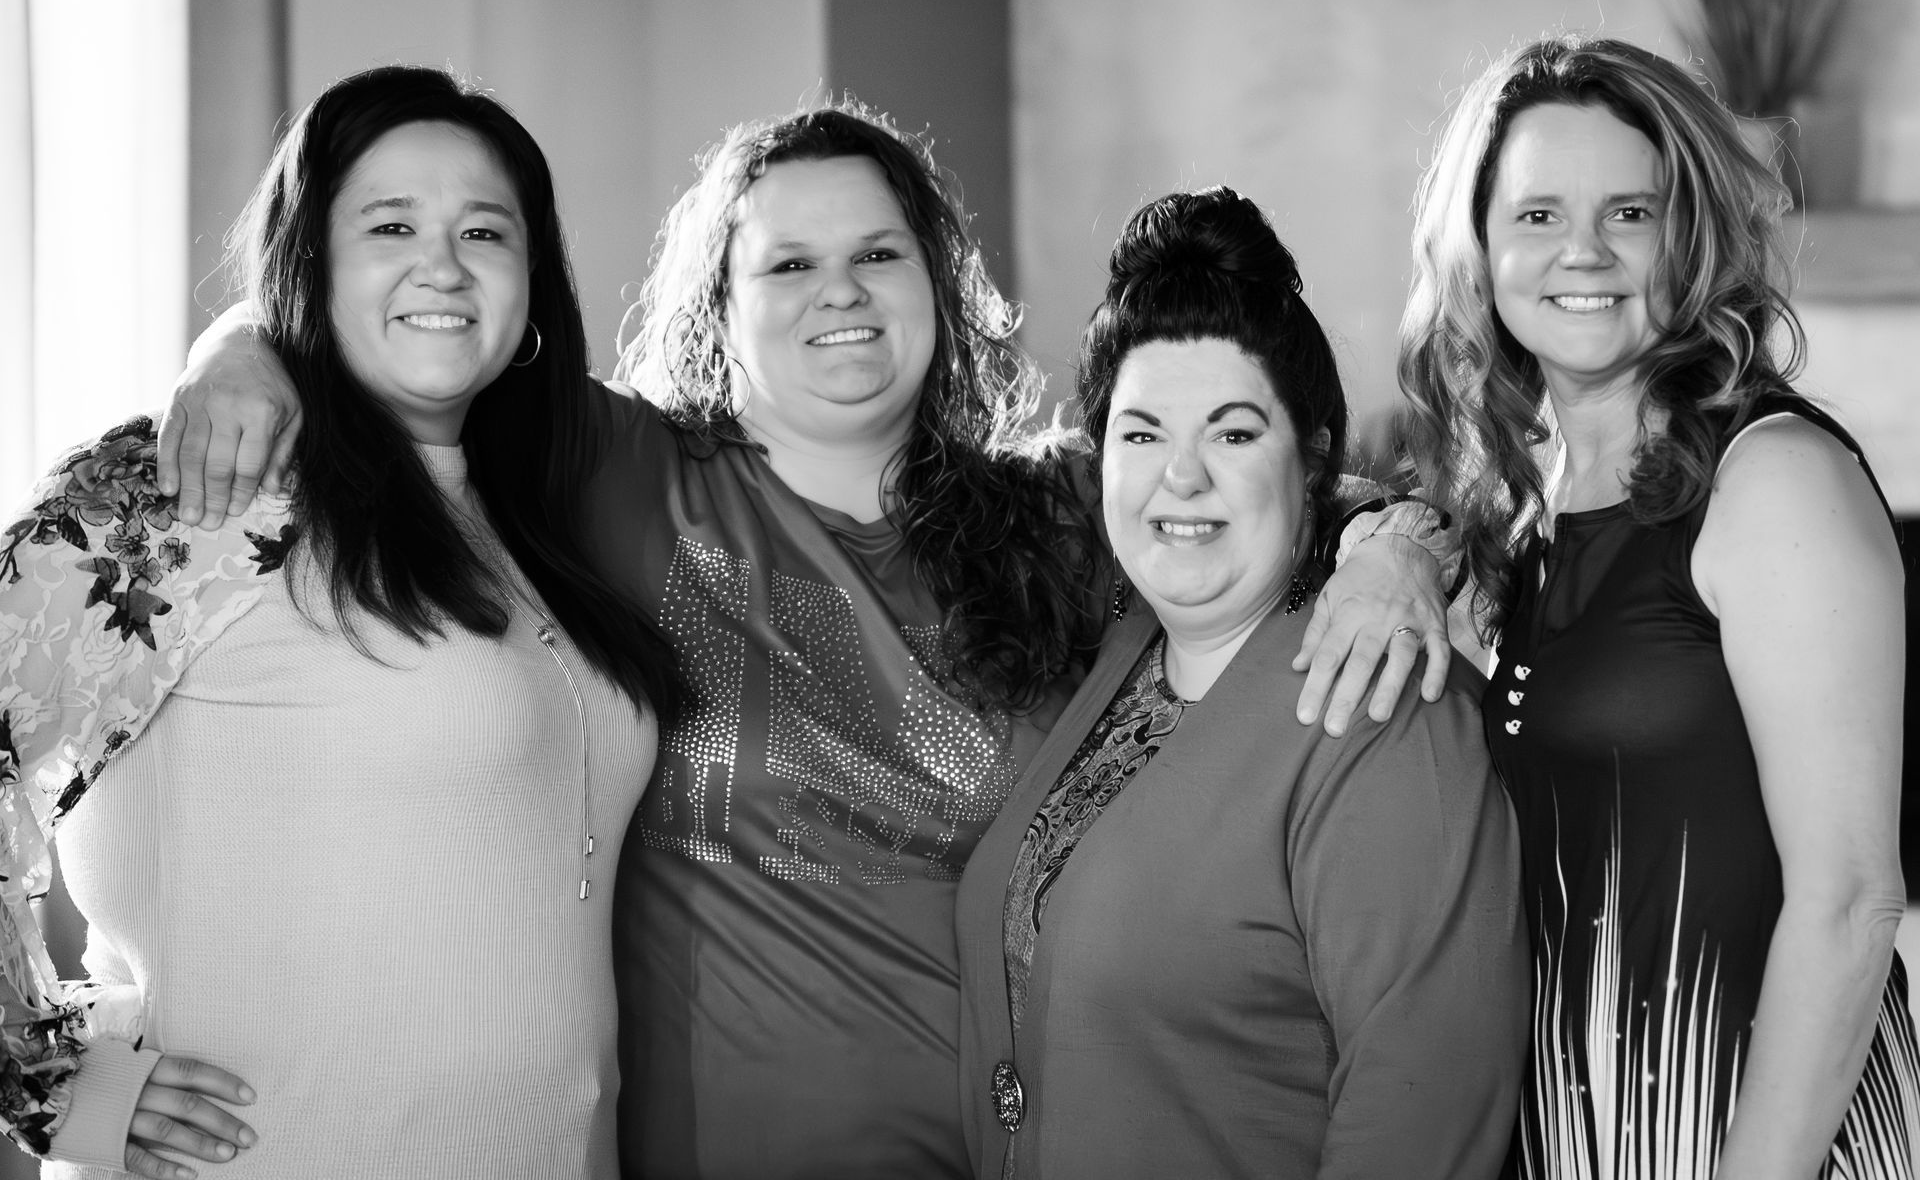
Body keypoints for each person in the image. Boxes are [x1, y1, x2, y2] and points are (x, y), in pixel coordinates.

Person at [155, 102, 1452, 1178]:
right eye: (787, 263)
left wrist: (1401, 552)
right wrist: (243, 344)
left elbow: (1320, 497)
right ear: (719, 304)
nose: (840, 292)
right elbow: (427, 332)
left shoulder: (1064, 513)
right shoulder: (624, 473)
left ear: (936, 285)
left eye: (879, 256)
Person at [0, 65, 680, 1179]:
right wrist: (51, 1079)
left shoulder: (537, 515)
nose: (443, 264)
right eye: (391, 224)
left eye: (485, 231)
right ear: (308, 264)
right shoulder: (192, 491)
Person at [1396, 34, 1920, 1177]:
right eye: (1536, 214)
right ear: (1479, 247)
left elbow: (1850, 902)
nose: (1582, 249)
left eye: (1629, 211)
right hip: (1575, 1137)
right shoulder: (1515, 509)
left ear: (1689, 236)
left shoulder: (1772, 478)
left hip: (1761, 1145)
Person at [954, 186, 1528, 1180]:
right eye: (1141, 434)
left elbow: (1421, 1114)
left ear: (1309, 459)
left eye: (1232, 432)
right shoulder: (1127, 646)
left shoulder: (1386, 707)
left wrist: (1400, 540)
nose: (1180, 477)